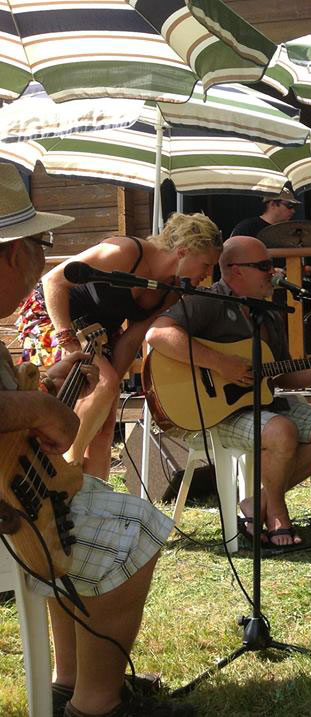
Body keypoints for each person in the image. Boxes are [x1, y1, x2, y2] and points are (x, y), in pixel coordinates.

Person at [0, 165, 191, 717]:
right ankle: (97, 705)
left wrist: (44, 386)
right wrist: (36, 406)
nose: (46, 258)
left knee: (101, 513)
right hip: (8, 516)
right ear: (15, 254)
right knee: (138, 534)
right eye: (43, 243)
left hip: (22, 494)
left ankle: (70, 681)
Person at [145, 236, 311, 546]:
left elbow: (280, 376)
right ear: (235, 270)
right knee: (281, 430)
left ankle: (259, 503)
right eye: (264, 266)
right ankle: (277, 512)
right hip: (215, 412)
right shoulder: (208, 301)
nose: (273, 271)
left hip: (262, 405)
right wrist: (221, 364)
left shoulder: (269, 314)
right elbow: (158, 334)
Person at [17, 212, 222, 478]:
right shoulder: (127, 251)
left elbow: (130, 341)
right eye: (206, 265)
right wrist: (68, 340)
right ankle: (67, 467)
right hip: (55, 318)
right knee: (104, 383)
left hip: (97, 335)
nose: (207, 275)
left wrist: (110, 388)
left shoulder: (171, 291)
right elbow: (53, 280)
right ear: (183, 251)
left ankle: (93, 497)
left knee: (105, 423)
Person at [229, 186, 299, 240]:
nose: (293, 211)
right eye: (289, 206)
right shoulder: (247, 228)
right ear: (272, 204)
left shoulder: (290, 230)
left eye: (294, 206)